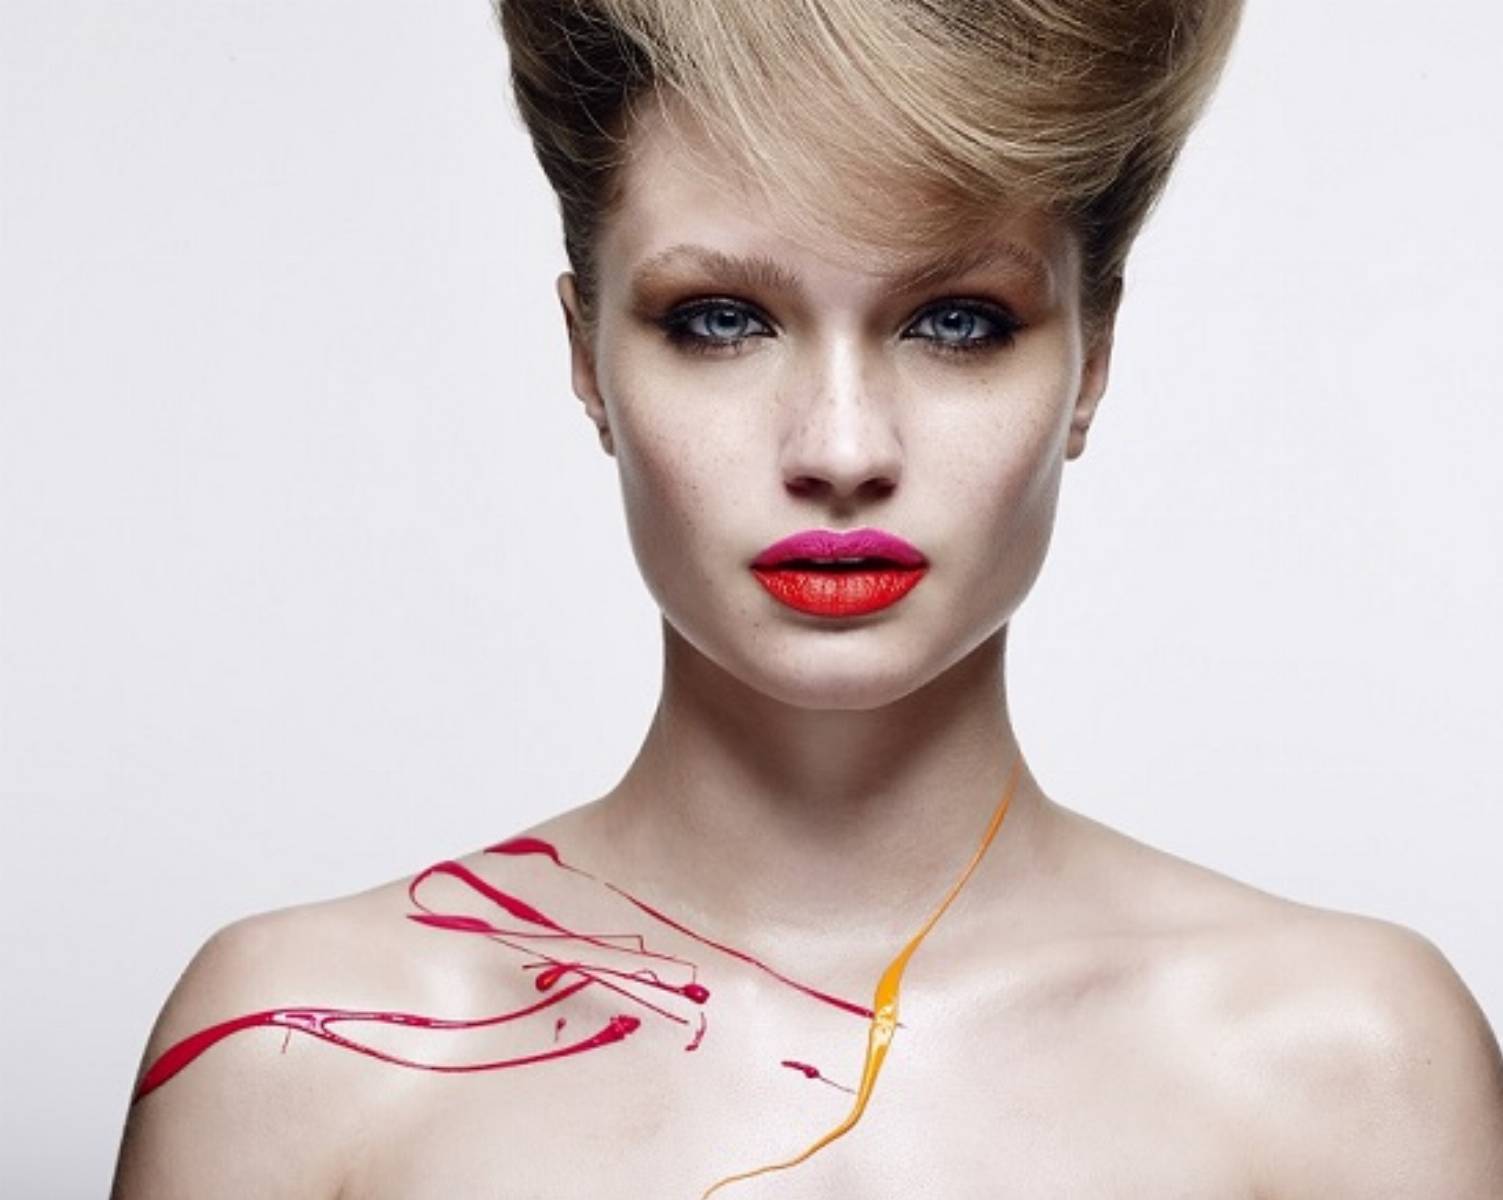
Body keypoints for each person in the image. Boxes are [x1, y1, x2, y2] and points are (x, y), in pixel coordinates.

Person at [111, 1, 1503, 1195]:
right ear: (588, 358)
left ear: (1090, 362)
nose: (841, 447)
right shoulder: (302, 1061)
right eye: (721, 319)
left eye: (957, 320)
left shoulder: (1347, 1067)